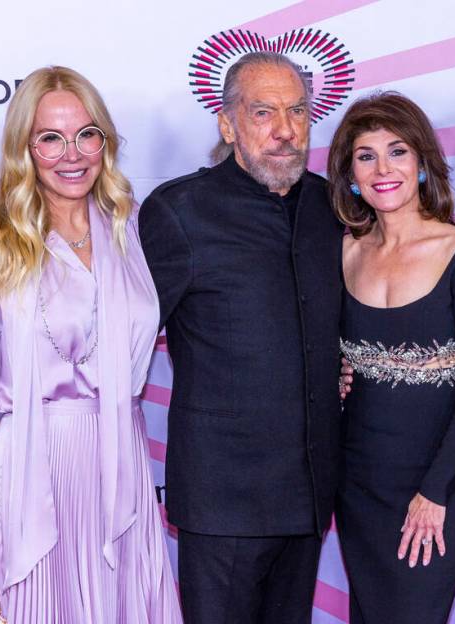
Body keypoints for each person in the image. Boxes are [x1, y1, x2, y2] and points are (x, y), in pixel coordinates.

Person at [0, 66, 182, 622]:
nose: (73, 153)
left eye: (86, 134)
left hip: (123, 471)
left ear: (105, 142)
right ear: (26, 148)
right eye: (51, 137)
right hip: (30, 474)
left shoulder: (135, 231)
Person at [138, 52, 343, 624]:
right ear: (228, 125)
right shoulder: (179, 212)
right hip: (222, 501)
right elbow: (124, 340)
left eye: (298, 111)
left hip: (309, 492)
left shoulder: (333, 207)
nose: (285, 131)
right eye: (263, 113)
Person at [327, 92, 455, 624]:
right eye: (366, 155)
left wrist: (435, 490)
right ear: (350, 173)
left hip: (436, 484)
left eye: (397, 151)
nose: (383, 169)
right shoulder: (343, 250)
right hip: (358, 482)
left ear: (422, 162)